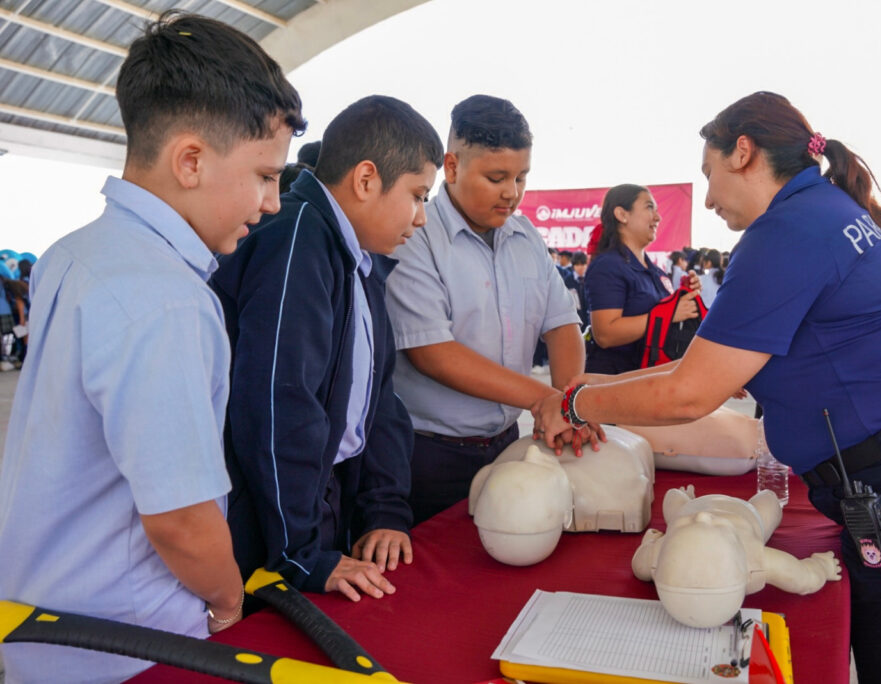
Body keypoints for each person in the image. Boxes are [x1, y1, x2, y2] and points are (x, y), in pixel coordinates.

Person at [533, 91, 881, 684]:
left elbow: (691, 393)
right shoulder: (820, 212)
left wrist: (572, 400)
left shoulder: (785, 233)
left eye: (709, 175)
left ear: (743, 152)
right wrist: (594, 384)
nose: (709, 199)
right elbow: (702, 365)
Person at [0, 11, 305, 682]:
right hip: (127, 647)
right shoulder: (166, 297)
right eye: (263, 175)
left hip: (40, 624)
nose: (273, 202)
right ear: (190, 160)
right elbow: (182, 521)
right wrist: (227, 600)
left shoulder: (73, 254)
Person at [211, 96, 442, 599]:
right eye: (418, 195)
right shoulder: (297, 243)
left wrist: (384, 509)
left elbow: (378, 399)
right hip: (267, 525)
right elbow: (278, 407)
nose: (421, 217)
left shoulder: (360, 259)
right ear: (365, 180)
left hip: (323, 503)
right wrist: (302, 554)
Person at [384, 94, 600, 525]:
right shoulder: (416, 236)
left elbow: (561, 325)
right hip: (430, 456)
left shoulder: (525, 237)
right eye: (497, 177)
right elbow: (433, 354)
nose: (512, 193)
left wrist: (570, 400)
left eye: (522, 177)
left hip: (510, 445)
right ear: (451, 166)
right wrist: (546, 399)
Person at [583, 184, 699, 374]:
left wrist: (686, 294)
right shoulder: (608, 265)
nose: (657, 217)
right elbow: (605, 333)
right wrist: (669, 315)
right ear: (622, 214)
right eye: (649, 207)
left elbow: (667, 319)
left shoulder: (656, 272)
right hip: (615, 383)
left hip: (650, 378)